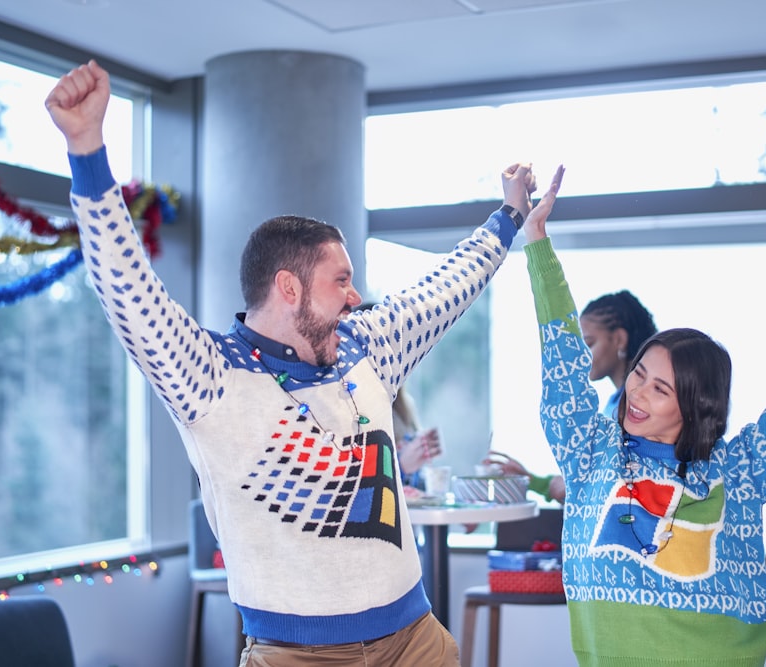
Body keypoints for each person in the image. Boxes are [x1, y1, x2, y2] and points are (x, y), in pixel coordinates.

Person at [44, 59, 559, 666]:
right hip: (296, 656)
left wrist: (509, 216)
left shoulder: (367, 344)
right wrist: (86, 149)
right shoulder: (212, 378)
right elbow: (129, 291)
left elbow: (446, 288)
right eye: (341, 280)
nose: (355, 295)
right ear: (288, 288)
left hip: (416, 639)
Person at [521, 166, 766, 666]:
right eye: (639, 373)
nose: (636, 392)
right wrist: (537, 242)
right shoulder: (591, 451)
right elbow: (563, 355)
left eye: (661, 389)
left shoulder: (739, 470)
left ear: (696, 406)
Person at [483, 288, 656, 503]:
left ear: (619, 339)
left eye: (589, 343)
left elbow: (614, 487)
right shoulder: (614, 403)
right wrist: (530, 480)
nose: (581, 355)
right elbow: (588, 482)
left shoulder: (638, 411)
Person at [357, 302, 442, 490]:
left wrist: (422, 456)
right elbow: (356, 490)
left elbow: (415, 489)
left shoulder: (402, 405)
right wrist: (402, 467)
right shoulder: (352, 408)